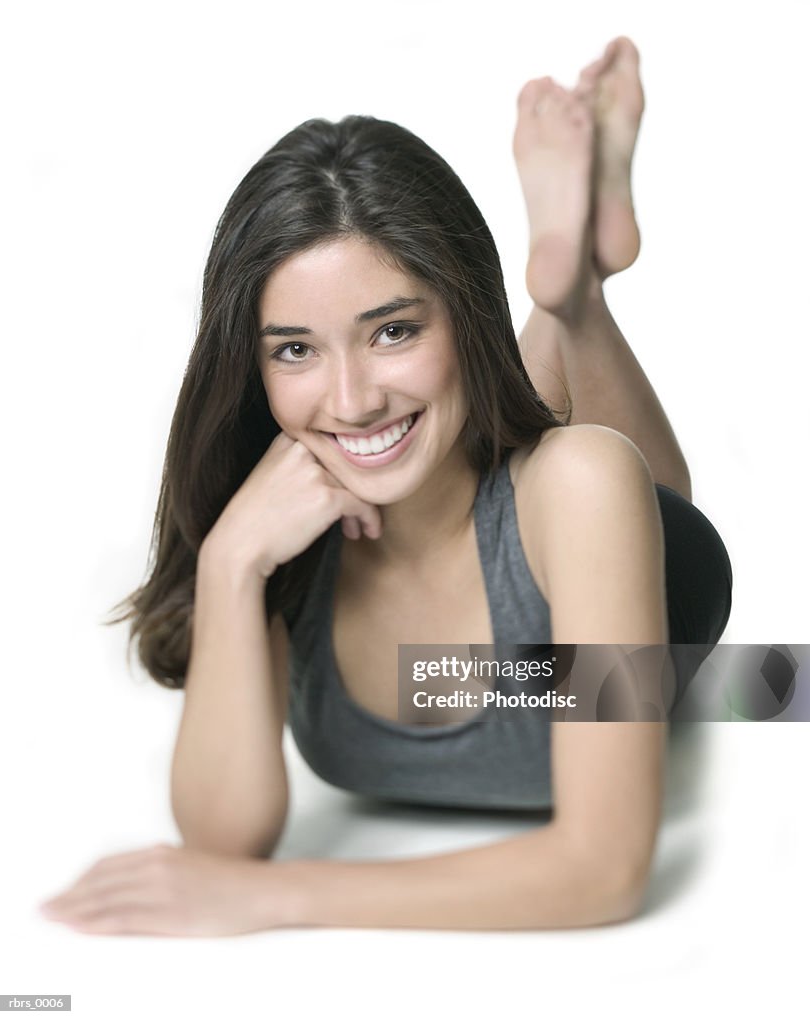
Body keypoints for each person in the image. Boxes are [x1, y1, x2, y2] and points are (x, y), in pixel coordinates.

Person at [38, 37, 732, 936]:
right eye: (295, 348)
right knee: (503, 586)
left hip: (671, 610)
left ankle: (571, 300)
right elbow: (221, 835)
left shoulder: (580, 485)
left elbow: (603, 872)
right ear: (251, 368)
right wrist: (230, 561)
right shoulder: (280, 530)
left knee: (644, 529)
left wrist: (277, 901)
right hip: (520, 625)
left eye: (393, 330)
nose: (351, 399)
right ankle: (565, 293)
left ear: (462, 311)